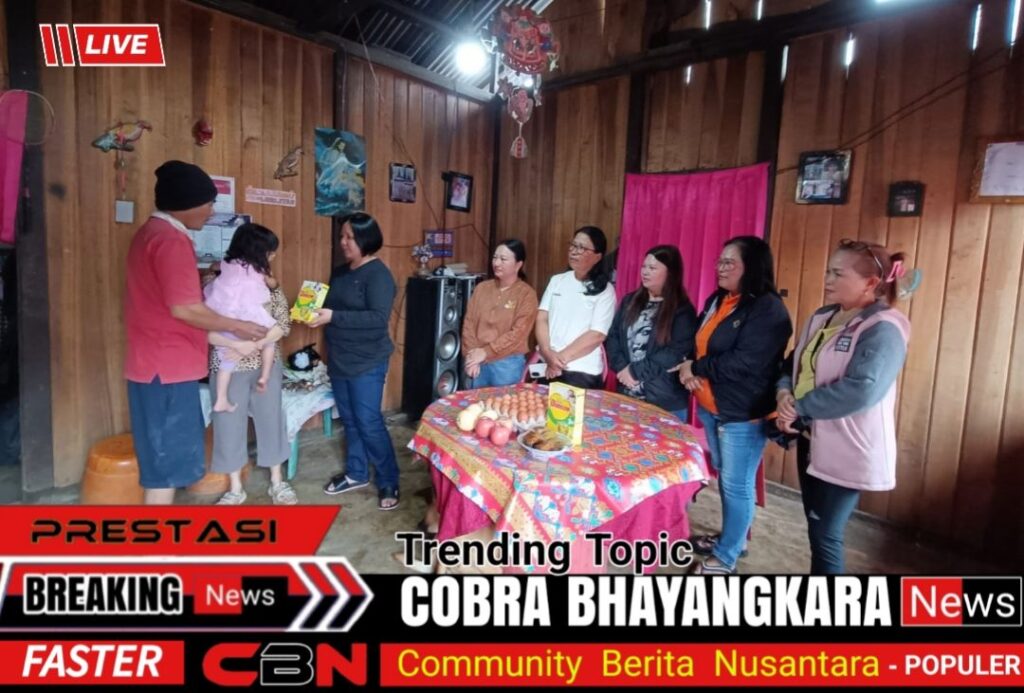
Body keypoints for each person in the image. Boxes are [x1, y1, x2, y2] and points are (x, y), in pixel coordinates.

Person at [124, 161, 267, 505]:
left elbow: (167, 297)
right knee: (167, 469)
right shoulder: (172, 240)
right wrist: (238, 325)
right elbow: (184, 309)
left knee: (161, 463)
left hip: (150, 364)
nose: (211, 210)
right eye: (208, 203)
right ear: (186, 203)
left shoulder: (149, 233)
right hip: (168, 369)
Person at [775, 239, 910, 574]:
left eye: (838, 273)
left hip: (849, 447)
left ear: (870, 283)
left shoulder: (884, 327)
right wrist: (783, 394)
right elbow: (794, 364)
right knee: (816, 527)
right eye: (828, 271)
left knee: (826, 535)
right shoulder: (823, 316)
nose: (828, 279)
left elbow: (862, 389)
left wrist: (800, 407)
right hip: (811, 437)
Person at [673, 236, 792, 574]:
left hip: (742, 414)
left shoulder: (768, 309)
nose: (720, 268)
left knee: (737, 485)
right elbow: (699, 342)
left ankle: (725, 559)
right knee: (728, 480)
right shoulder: (720, 299)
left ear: (751, 267)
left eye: (729, 262)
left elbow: (745, 362)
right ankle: (732, 540)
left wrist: (696, 368)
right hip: (713, 408)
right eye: (720, 261)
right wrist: (689, 366)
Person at [308, 213, 401, 510]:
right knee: (349, 420)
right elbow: (330, 308)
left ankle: (389, 479)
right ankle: (357, 473)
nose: (344, 242)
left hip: (367, 361)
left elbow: (377, 319)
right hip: (340, 358)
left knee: (368, 422)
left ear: (366, 239)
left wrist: (333, 316)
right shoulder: (340, 273)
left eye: (350, 237)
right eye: (342, 236)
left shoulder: (379, 275)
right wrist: (312, 311)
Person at [204, 225, 296, 506]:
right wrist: (234, 345)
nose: (273, 257)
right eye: (270, 252)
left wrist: (254, 345)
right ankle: (235, 488)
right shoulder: (216, 281)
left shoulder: (269, 284)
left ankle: (277, 482)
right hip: (227, 363)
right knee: (227, 423)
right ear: (257, 251)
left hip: (264, 362)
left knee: (271, 419)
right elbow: (203, 329)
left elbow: (283, 324)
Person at [606, 245, 698, 418]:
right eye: (644, 266)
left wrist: (634, 372)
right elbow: (613, 336)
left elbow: (674, 352)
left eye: (653, 268)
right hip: (627, 394)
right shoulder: (630, 301)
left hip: (664, 400)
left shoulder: (682, 310)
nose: (645, 272)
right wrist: (622, 369)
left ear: (670, 273)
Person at [203, 224, 283, 413]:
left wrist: (213, 269)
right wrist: (274, 283)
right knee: (269, 342)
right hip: (251, 318)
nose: (273, 256)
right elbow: (273, 285)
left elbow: (214, 268)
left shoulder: (225, 264)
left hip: (225, 317)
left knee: (226, 361)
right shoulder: (260, 269)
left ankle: (221, 398)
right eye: (271, 252)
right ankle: (265, 376)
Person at [535, 226, 616, 389]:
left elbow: (597, 334)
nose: (574, 251)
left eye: (582, 248)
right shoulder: (557, 280)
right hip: (547, 363)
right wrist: (547, 351)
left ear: (598, 256)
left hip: (580, 371)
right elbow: (542, 318)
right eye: (573, 245)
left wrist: (558, 360)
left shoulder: (605, 291)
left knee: (571, 408)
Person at [462, 239, 539, 389]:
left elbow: (518, 333)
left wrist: (487, 352)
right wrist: (472, 355)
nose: (496, 263)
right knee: (475, 402)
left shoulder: (527, 294)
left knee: (503, 403)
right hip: (477, 360)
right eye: (495, 258)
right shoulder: (481, 288)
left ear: (518, 264)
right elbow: (469, 323)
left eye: (503, 259)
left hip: (507, 364)